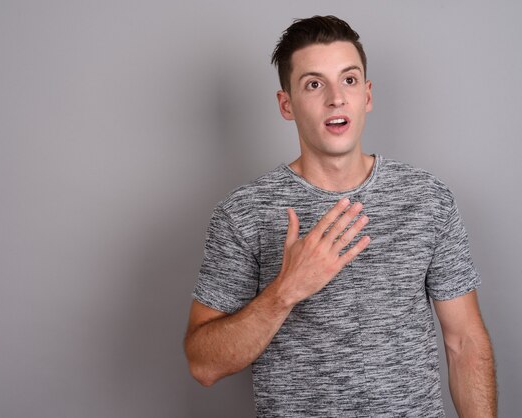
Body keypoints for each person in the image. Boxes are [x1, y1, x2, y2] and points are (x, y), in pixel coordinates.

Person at [184, 15, 496, 417]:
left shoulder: (428, 200)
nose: (336, 98)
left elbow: (465, 342)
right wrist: (286, 290)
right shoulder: (243, 213)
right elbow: (204, 364)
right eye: (314, 84)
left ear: (367, 95)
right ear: (286, 104)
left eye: (348, 80)